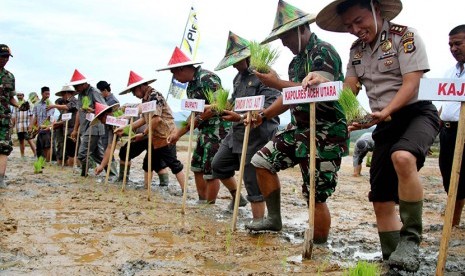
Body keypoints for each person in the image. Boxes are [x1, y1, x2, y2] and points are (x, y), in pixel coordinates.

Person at [304, 0, 440, 272]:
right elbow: (349, 90)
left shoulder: (405, 36)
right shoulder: (356, 50)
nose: (355, 29)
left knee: (402, 157)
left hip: (417, 114)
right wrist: (323, 82)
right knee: (380, 198)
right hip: (384, 123)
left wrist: (384, 111)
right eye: (349, 25)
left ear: (377, 11)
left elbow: (412, 84)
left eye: (359, 20)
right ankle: (394, 261)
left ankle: (411, 240)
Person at [245, 0, 348, 245]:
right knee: (261, 161)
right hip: (299, 129)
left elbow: (318, 86)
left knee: (315, 194)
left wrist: (277, 83)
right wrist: (264, 115)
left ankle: (319, 246)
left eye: (286, 36)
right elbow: (291, 96)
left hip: (326, 131)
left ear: (302, 29)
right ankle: (274, 219)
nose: (283, 42)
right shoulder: (296, 62)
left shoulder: (324, 51)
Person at [211, 31, 280, 218]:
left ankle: (258, 222)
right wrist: (223, 107)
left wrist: (241, 117)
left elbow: (271, 105)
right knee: (218, 164)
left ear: (248, 57)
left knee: (252, 180)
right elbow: (236, 102)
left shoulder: (265, 74)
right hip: (237, 133)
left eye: (237, 60)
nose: (234, 65)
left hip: (257, 134)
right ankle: (237, 197)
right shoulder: (237, 78)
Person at [159, 47, 235, 204]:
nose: (174, 78)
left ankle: (209, 205)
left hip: (217, 129)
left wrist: (200, 117)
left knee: (210, 169)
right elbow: (194, 113)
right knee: (197, 165)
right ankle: (202, 200)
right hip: (204, 129)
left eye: (174, 73)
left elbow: (220, 105)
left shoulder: (207, 79)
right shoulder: (191, 87)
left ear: (181, 69)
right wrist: (178, 134)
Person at [115, 71, 186, 191]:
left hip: (166, 136)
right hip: (155, 138)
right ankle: (146, 189)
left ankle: (185, 191)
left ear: (140, 87)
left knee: (173, 164)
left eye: (133, 91)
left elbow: (156, 119)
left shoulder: (154, 96)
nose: (133, 94)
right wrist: (128, 128)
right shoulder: (145, 99)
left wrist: (143, 133)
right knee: (147, 164)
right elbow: (145, 118)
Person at [438, 24, 465, 227]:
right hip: (448, 131)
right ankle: (453, 223)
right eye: (451, 45)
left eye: (458, 43)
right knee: (450, 177)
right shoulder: (450, 73)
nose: (454, 48)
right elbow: (444, 104)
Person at [68, 69, 107, 177]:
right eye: (74, 87)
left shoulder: (94, 92)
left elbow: (105, 109)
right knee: (97, 155)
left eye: (77, 86)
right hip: (85, 127)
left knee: (82, 154)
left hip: (94, 126)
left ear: (84, 84)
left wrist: (93, 111)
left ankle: (84, 174)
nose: (76, 89)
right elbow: (78, 113)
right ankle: (112, 173)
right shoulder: (80, 95)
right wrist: (75, 129)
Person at [0, 44, 21, 188]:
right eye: (3, 57)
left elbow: (11, 98)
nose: (5, 60)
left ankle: (0, 179)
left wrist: (19, 105)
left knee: (4, 148)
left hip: (4, 118)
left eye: (7, 57)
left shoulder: (10, 76)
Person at [47, 85, 79, 166]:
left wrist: (53, 106)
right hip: (66, 130)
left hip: (72, 129)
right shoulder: (66, 104)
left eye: (63, 95)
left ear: (68, 94)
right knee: (68, 150)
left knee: (73, 151)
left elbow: (67, 107)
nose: (63, 97)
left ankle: (75, 168)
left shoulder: (74, 101)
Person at [91, 102, 120, 177]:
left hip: (145, 134)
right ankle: (122, 179)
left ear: (106, 115)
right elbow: (110, 147)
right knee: (123, 154)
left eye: (101, 119)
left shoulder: (120, 118)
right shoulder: (111, 127)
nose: (101, 122)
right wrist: (102, 166)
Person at [96, 80, 119, 176]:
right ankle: (109, 171)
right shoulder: (104, 100)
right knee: (107, 147)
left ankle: (113, 173)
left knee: (111, 148)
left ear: (105, 90)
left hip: (115, 127)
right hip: (108, 128)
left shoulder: (112, 101)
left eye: (100, 92)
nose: (100, 94)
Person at [30, 86, 55, 161]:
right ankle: (42, 161)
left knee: (47, 146)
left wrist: (40, 126)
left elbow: (49, 117)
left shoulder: (50, 104)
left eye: (49, 94)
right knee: (40, 146)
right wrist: (31, 126)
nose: (48, 95)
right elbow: (35, 117)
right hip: (40, 128)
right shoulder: (37, 104)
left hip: (47, 128)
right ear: (42, 94)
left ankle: (48, 161)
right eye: (46, 94)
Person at [11, 91, 37, 159]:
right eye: (18, 95)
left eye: (20, 95)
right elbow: (14, 116)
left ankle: (35, 154)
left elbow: (31, 115)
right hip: (19, 126)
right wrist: (12, 126)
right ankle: (22, 155)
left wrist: (30, 125)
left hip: (26, 125)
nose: (19, 96)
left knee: (29, 140)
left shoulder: (28, 104)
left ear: (23, 95)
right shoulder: (15, 105)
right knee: (21, 141)